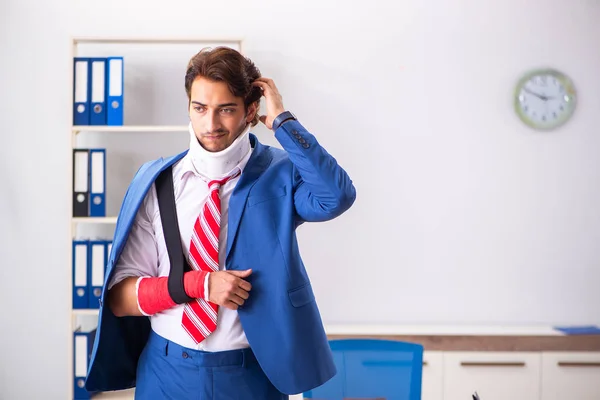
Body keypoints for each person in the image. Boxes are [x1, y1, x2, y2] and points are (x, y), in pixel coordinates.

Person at [85, 46, 356, 400]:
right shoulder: (156, 181)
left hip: (252, 375)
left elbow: (335, 196)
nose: (210, 124)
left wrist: (283, 122)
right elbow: (121, 298)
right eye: (200, 109)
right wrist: (200, 284)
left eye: (226, 110)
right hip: (167, 372)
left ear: (250, 111)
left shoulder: (280, 174)